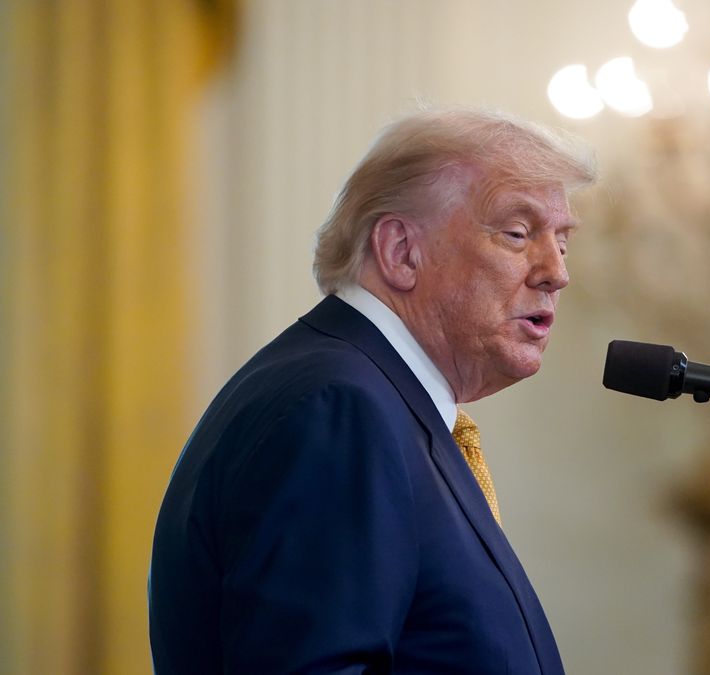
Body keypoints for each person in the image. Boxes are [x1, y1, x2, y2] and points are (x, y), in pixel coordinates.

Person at [149, 107, 597, 674]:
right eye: (518, 233)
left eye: (562, 242)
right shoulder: (338, 409)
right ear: (401, 252)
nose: (556, 271)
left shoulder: (375, 402)